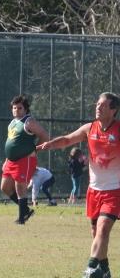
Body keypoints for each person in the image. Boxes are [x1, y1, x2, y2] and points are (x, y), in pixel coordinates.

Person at [38, 92, 120, 278]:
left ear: (113, 110)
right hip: (94, 191)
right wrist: (51, 144)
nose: (98, 108)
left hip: (114, 191)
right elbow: (67, 139)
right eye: (97, 104)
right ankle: (105, 270)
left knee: (103, 227)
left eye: (103, 105)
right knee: (96, 233)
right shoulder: (89, 129)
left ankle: (90, 268)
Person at [0, 94, 49, 225]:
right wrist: (6, 160)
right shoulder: (12, 123)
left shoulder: (29, 121)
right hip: (11, 160)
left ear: (26, 109)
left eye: (20, 108)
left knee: (20, 187)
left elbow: (44, 135)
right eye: (14, 108)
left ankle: (21, 218)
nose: (16, 110)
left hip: (25, 159)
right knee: (5, 187)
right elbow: (11, 142)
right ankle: (26, 210)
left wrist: (34, 149)